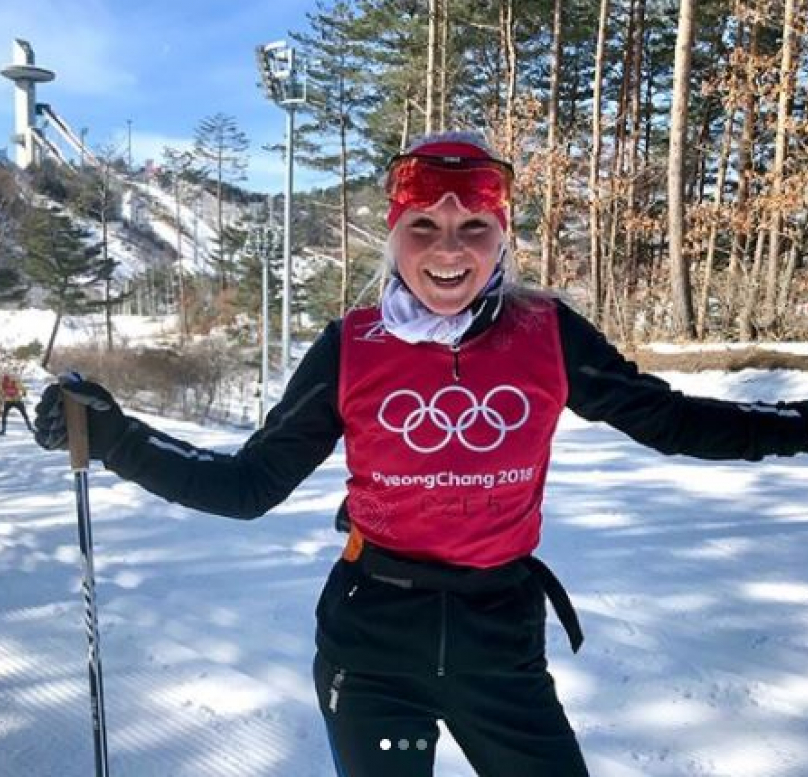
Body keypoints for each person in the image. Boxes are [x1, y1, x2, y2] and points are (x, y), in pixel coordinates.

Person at [33, 131, 808, 777]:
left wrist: (796, 425)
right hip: (373, 643)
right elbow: (249, 485)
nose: (449, 250)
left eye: (475, 227)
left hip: (498, 638)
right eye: (424, 228)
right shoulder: (352, 346)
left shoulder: (546, 333)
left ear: (503, 238)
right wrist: (117, 438)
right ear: (395, 236)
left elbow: (669, 420)